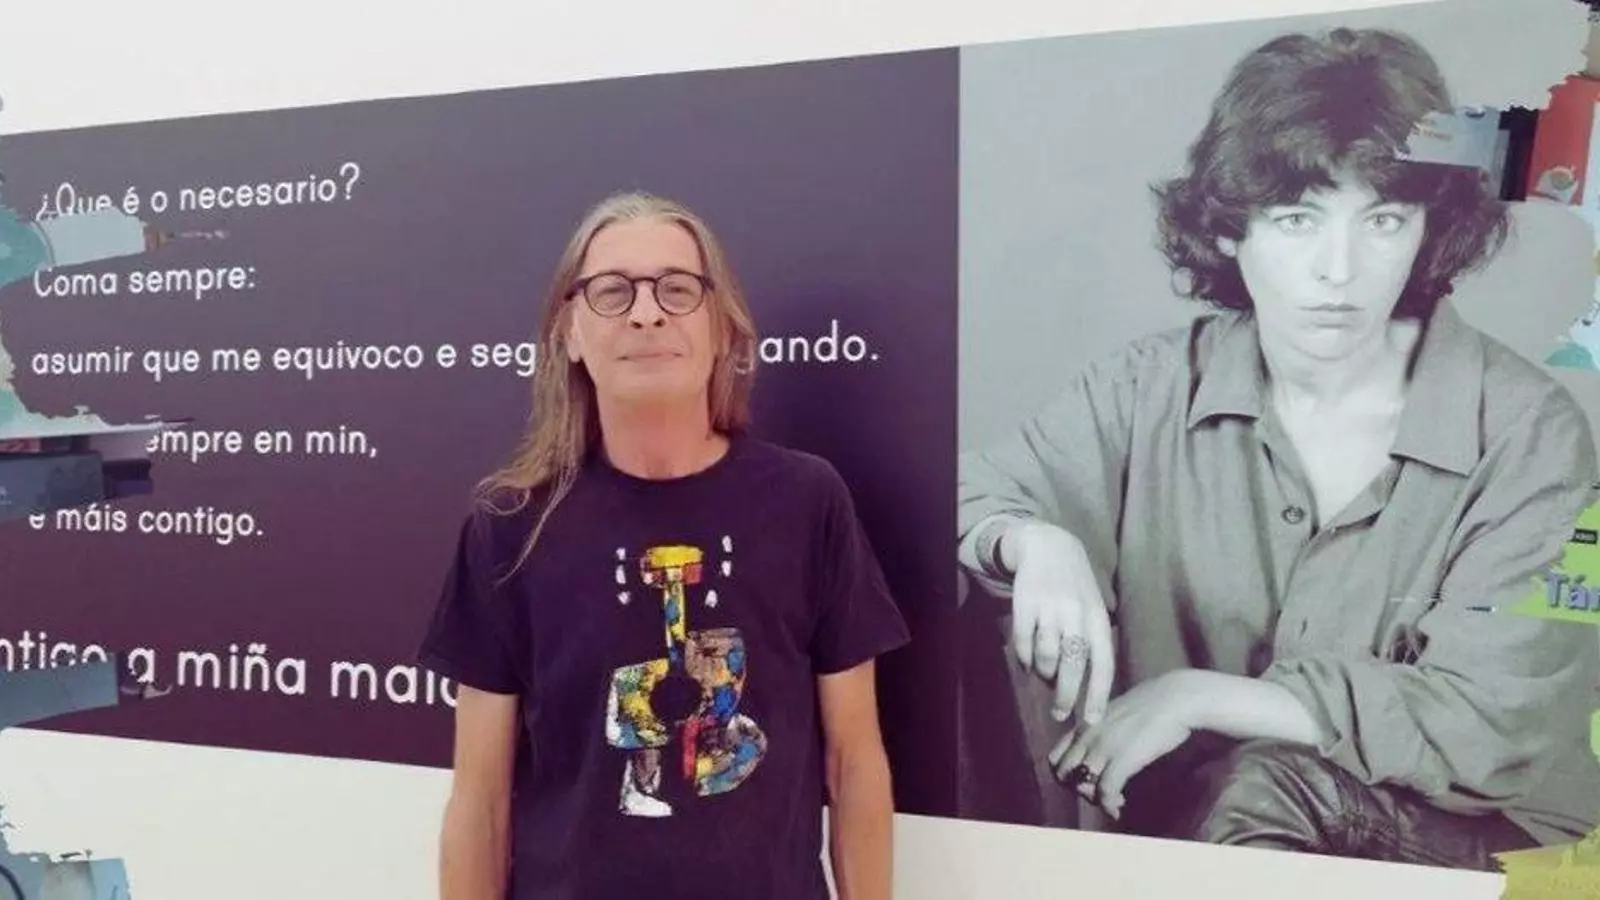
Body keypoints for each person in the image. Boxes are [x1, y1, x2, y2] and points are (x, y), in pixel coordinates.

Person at [957, 27, 1600, 870]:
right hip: (1211, 836)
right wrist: (1031, 540)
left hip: (1482, 850)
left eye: (1383, 219)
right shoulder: (1146, 387)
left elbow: (1494, 723)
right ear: (1232, 230)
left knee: (1264, 785)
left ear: (1428, 229)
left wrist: (1199, 696)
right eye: (1297, 219)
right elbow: (960, 492)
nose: (1339, 270)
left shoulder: (1538, 435)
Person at [417, 190, 908, 899]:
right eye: (612, 292)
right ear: (570, 333)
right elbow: (480, 803)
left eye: (678, 289)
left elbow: (854, 764)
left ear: (722, 327)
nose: (647, 313)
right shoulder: (511, 527)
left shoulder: (808, 502)